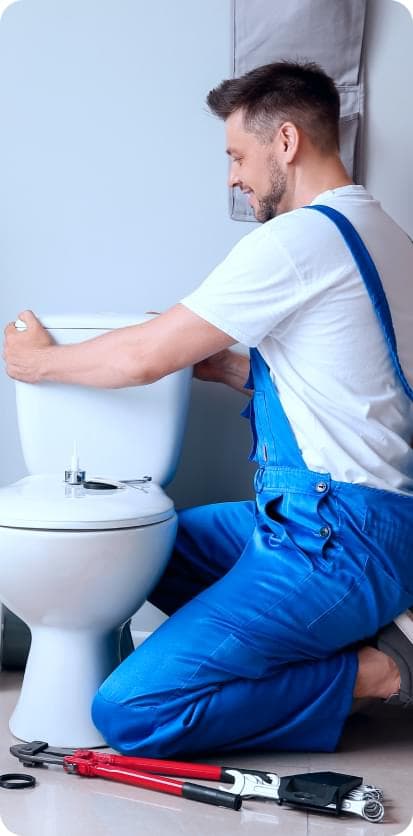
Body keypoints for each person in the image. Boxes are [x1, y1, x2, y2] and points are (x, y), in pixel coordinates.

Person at [4, 60, 413, 758]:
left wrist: (35, 363)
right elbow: (356, 388)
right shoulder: (386, 237)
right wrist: (227, 367)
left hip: (332, 539)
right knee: (142, 552)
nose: (231, 176)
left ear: (284, 141)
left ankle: (376, 672)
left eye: (236, 155)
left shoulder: (298, 240)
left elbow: (141, 357)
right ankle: (327, 637)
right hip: (344, 522)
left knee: (132, 712)